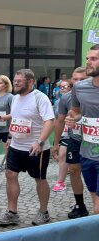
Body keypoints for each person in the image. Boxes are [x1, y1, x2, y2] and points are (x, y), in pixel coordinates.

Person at [0, 69, 54, 226]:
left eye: (19, 81)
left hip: (36, 148)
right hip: (16, 146)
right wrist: (9, 137)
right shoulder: (15, 99)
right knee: (10, 175)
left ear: (30, 82)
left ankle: (44, 212)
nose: (15, 83)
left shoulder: (40, 98)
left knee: (39, 179)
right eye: (14, 81)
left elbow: (49, 121)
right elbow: (15, 119)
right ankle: (12, 213)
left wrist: (40, 142)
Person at [66, 44, 99, 215]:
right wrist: (72, 118)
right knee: (94, 199)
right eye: (87, 58)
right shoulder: (79, 87)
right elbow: (76, 112)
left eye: (93, 59)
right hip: (87, 152)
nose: (88, 62)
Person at [53, 67, 89, 218]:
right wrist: (56, 143)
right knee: (74, 171)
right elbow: (60, 121)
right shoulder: (66, 98)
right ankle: (80, 205)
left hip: (93, 141)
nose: (78, 82)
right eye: (75, 79)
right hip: (75, 139)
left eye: (82, 79)